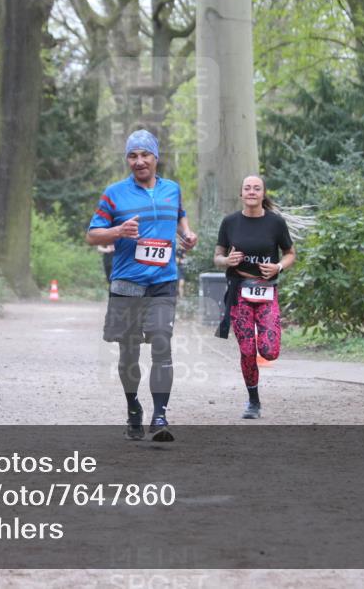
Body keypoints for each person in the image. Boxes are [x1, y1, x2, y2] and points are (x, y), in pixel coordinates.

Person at [86, 130, 197, 441]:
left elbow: (180, 216)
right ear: (127, 160)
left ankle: (160, 416)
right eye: (132, 156)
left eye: (144, 155)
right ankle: (133, 406)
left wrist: (187, 235)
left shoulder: (172, 190)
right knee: (129, 354)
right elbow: (92, 235)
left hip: (163, 281)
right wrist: (118, 231)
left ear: (155, 157)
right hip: (127, 284)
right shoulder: (114, 193)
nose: (139, 161)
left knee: (162, 343)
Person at [213, 175, 295, 420]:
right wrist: (227, 261)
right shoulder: (230, 222)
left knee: (269, 351)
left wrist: (278, 267)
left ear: (263, 194)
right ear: (241, 194)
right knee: (248, 350)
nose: (251, 191)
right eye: (247, 188)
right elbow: (217, 256)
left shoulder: (275, 223)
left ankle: (255, 393)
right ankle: (253, 401)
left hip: (266, 291)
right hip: (240, 292)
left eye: (256, 188)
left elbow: (290, 253)